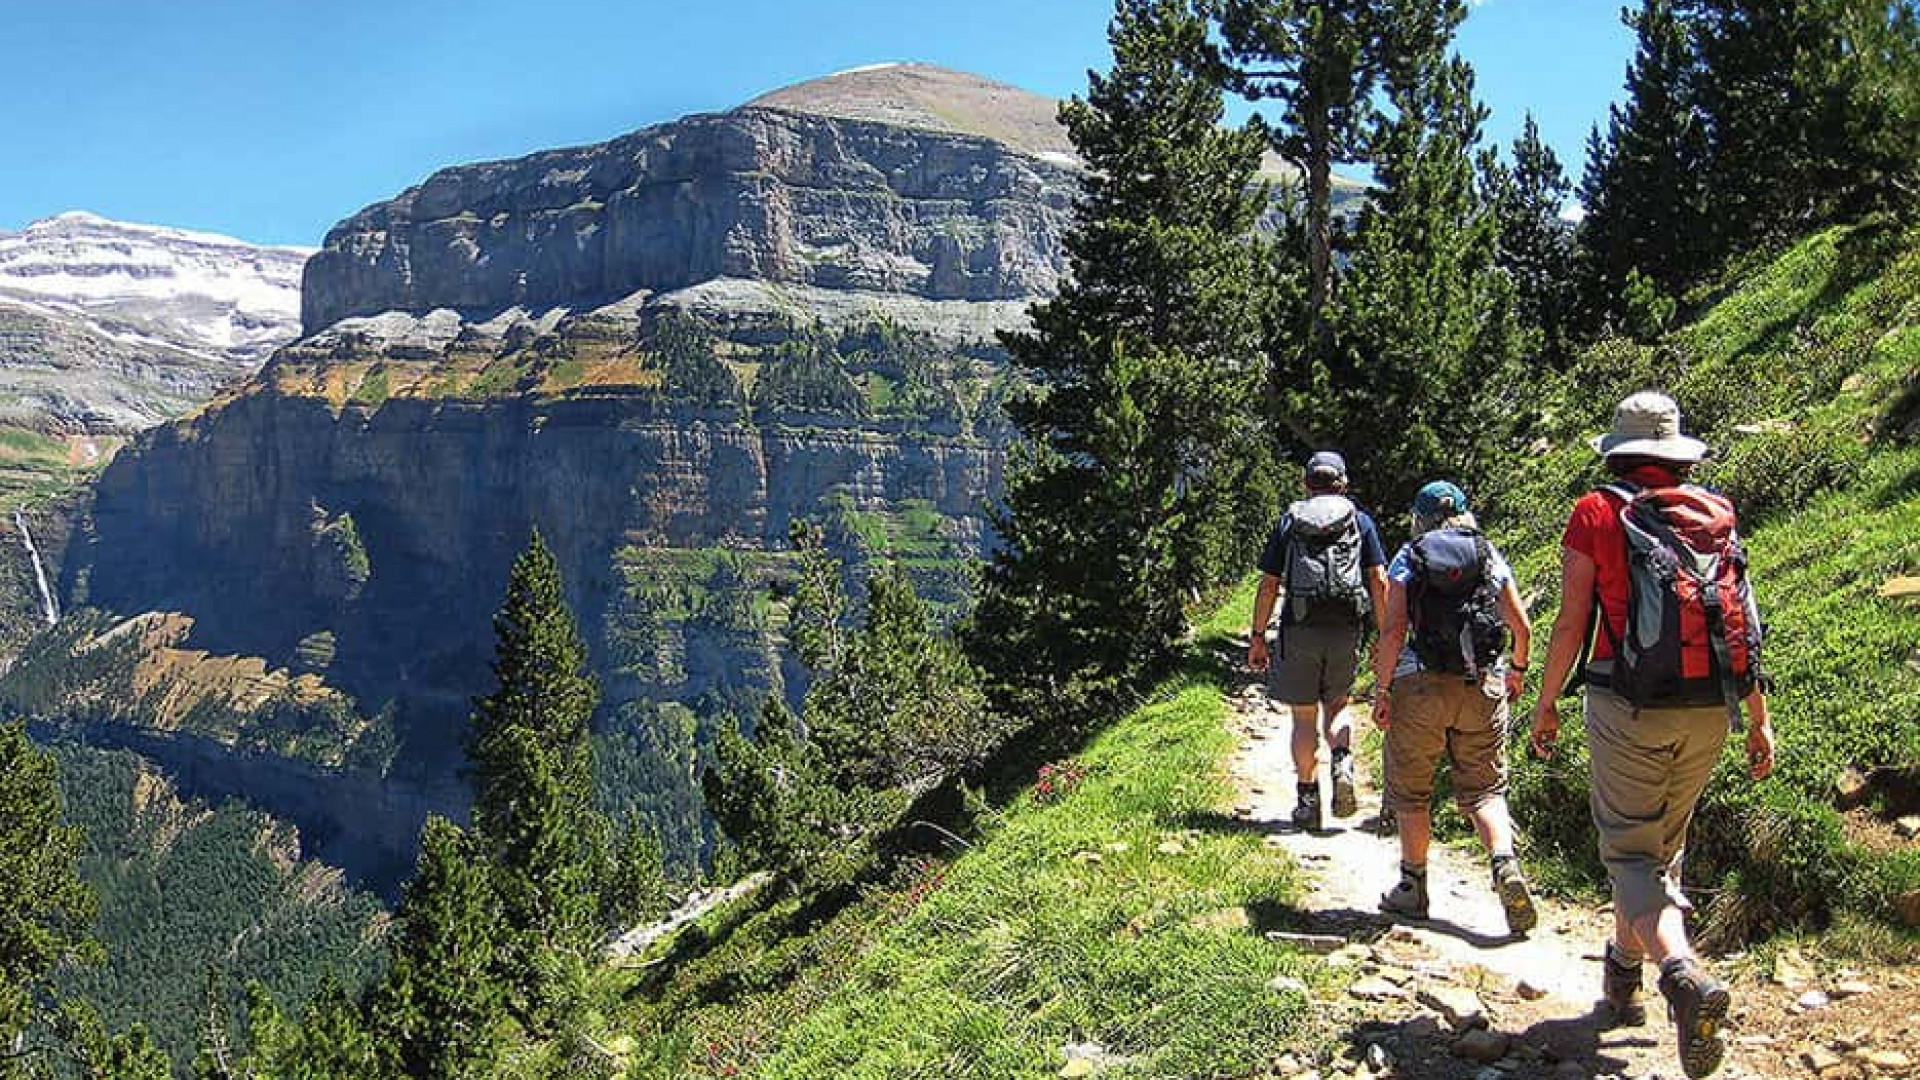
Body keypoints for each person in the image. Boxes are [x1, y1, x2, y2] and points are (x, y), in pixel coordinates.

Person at [1530, 392, 1776, 1080]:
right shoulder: (1711, 515)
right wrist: (1758, 718)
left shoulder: (1596, 511)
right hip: (1710, 707)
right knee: (1661, 845)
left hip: (1626, 702)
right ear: (1674, 453)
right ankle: (1622, 981)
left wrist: (1546, 702)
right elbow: (1745, 624)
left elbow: (1572, 622)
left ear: (1619, 449)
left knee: (1633, 855)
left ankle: (1682, 974)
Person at [1370, 481, 1537, 935]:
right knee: (1486, 789)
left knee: (1412, 789)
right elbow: (1520, 626)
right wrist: (1517, 670)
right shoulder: (1488, 554)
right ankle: (1504, 863)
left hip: (1419, 684)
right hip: (1481, 683)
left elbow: (1393, 630)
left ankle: (1413, 886)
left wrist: (1382, 690)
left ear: (1419, 518)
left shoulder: (1410, 556)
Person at [1248, 451, 1388, 829]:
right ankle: (1341, 760)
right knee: (1338, 705)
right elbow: (1378, 579)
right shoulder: (1360, 522)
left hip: (1299, 626)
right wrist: (1385, 633)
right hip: (1346, 625)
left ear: (1307, 483)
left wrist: (1258, 636)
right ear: (1343, 483)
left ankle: (1307, 801)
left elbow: (1268, 585)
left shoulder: (1290, 522)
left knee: (1304, 716)